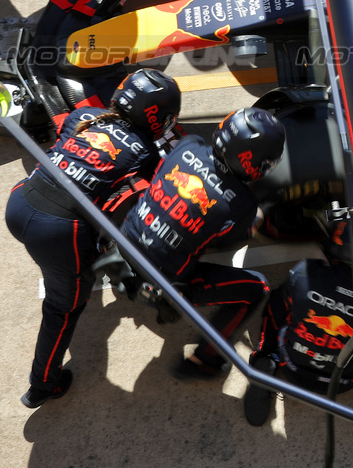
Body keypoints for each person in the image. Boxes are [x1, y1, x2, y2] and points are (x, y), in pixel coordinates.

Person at [5, 69, 181, 408]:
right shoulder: (145, 151)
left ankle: (95, 256)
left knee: (93, 215)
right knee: (63, 307)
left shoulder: (85, 115)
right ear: (159, 117)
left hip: (19, 201)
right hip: (57, 231)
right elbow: (149, 203)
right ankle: (43, 384)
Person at [121, 107, 286, 378]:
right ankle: (204, 361)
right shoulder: (243, 203)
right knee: (256, 288)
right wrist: (257, 214)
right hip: (163, 278)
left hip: (125, 239)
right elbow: (228, 241)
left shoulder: (189, 144)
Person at [243, 252, 353, 426]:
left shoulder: (307, 270)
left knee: (279, 299)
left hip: (293, 368)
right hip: (342, 382)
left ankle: (265, 355)